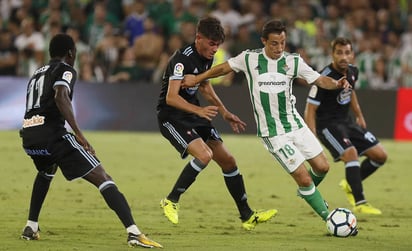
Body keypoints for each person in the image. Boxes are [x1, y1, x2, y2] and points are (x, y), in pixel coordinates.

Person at [182, 19, 352, 224]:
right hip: (273, 132)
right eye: (274, 43)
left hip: (295, 124)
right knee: (304, 178)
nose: (279, 48)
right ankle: (329, 217)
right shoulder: (249, 59)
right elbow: (222, 69)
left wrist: (336, 83)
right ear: (264, 41)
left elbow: (318, 79)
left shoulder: (293, 61)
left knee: (323, 167)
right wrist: (197, 78)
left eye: (282, 43)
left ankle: (307, 192)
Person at [19, 33, 162, 248]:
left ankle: (31, 226)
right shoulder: (65, 69)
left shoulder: (36, 74)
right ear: (70, 53)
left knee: (46, 170)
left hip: (29, 136)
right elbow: (60, 96)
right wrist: (79, 133)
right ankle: (134, 232)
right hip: (52, 135)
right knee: (102, 176)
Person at [156, 16, 277, 231]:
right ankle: (171, 200)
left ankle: (246, 215)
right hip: (171, 117)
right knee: (204, 155)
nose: (215, 49)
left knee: (229, 161)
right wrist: (200, 110)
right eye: (212, 44)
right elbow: (171, 98)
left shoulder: (206, 57)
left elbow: (204, 87)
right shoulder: (181, 60)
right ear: (198, 38)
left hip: (193, 114)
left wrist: (224, 112)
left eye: (218, 45)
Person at [304, 37, 387, 215]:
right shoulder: (324, 77)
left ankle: (351, 182)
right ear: (332, 54)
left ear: (352, 54)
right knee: (351, 154)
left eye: (347, 52)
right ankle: (360, 202)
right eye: (339, 53)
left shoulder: (353, 71)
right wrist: (311, 137)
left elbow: (350, 93)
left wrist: (359, 114)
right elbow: (310, 109)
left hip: (346, 122)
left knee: (380, 155)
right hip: (326, 125)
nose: (343, 57)